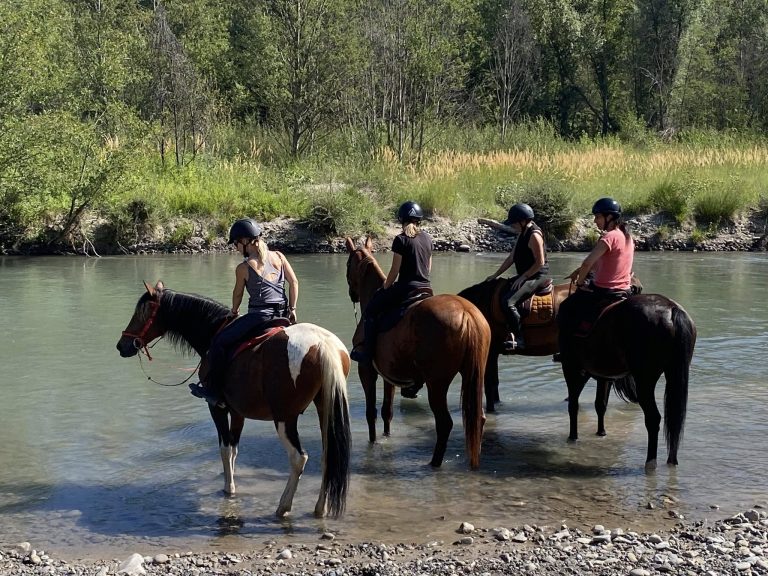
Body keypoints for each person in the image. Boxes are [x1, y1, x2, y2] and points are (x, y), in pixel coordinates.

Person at [190, 218, 299, 406]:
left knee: (218, 342)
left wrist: (233, 311)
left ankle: (214, 391)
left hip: (260, 317)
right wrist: (293, 309)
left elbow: (238, 294)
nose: (236, 248)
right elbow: (294, 282)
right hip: (282, 315)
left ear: (245, 242)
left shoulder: (244, 268)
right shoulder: (280, 257)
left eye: (236, 244)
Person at [350, 200, 433, 366]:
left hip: (406, 289)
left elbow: (395, 272)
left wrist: (384, 287)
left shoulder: (400, 240)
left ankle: (367, 353)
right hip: (426, 289)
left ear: (401, 220)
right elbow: (428, 269)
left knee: (372, 310)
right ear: (419, 220)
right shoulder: (427, 238)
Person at [557, 197, 634, 356]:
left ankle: (566, 352)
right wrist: (579, 270)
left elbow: (587, 263)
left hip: (605, 290)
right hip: (625, 290)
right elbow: (603, 262)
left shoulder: (609, 237)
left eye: (598, 217)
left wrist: (579, 283)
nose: (594, 221)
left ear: (609, 217)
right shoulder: (627, 237)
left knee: (565, 309)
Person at [485, 203, 551, 351]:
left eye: (514, 223)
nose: (513, 226)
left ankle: (520, 339)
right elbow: (511, 257)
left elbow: (540, 263)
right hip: (526, 275)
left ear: (523, 221)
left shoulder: (534, 235)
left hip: (538, 276)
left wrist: (524, 277)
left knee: (508, 302)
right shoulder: (522, 232)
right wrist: (495, 275)